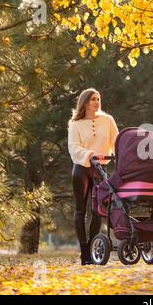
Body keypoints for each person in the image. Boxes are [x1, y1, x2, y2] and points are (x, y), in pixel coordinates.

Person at [67, 88, 119, 265]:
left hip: (101, 169)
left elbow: (116, 142)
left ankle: (92, 248)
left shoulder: (108, 120)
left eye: (98, 99)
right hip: (81, 168)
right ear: (85, 102)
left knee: (98, 211)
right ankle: (84, 253)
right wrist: (89, 154)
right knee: (80, 210)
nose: (97, 102)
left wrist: (123, 155)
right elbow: (73, 147)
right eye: (93, 99)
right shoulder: (75, 124)